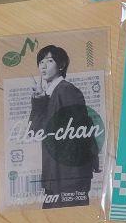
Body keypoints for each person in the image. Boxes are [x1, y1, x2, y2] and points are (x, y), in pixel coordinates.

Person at [28, 45, 101, 209]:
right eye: (41, 62)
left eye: (49, 61)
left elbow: (77, 135)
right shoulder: (49, 94)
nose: (43, 66)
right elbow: (35, 131)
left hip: (69, 176)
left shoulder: (67, 91)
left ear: (61, 65)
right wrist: (39, 101)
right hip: (55, 174)